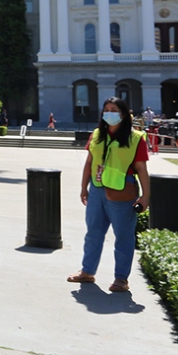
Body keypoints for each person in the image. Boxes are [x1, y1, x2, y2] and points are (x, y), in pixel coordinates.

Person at [68, 97, 149, 293]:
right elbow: (89, 162)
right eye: (106, 109)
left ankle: (121, 279)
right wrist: (83, 187)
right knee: (93, 233)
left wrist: (146, 196)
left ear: (123, 114)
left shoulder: (135, 138)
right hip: (97, 189)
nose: (109, 113)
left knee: (123, 237)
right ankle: (87, 271)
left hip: (123, 192)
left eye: (113, 110)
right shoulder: (97, 134)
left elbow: (141, 168)